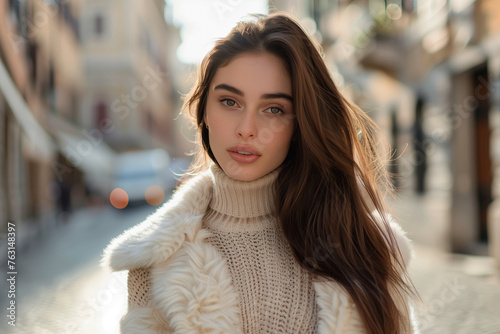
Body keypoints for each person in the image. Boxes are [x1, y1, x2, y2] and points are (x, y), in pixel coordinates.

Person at [102, 12, 419, 334]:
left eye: (274, 109)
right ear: (204, 111)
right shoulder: (156, 260)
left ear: (299, 125)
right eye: (229, 101)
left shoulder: (363, 242)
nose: (247, 129)